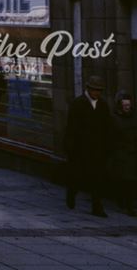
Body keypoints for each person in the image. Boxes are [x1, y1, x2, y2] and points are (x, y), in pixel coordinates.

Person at [65, 74, 112, 217]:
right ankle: (72, 192)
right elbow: (71, 127)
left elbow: (107, 126)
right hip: (81, 148)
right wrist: (71, 147)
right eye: (94, 90)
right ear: (88, 89)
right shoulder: (78, 103)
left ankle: (97, 206)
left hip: (97, 149)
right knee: (78, 175)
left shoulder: (103, 105)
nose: (96, 93)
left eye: (99, 90)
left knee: (97, 178)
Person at [110, 91, 137, 216]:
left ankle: (129, 203)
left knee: (131, 180)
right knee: (124, 179)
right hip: (121, 153)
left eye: (129, 105)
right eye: (125, 105)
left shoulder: (133, 117)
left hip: (132, 152)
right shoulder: (115, 118)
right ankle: (125, 202)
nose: (127, 107)